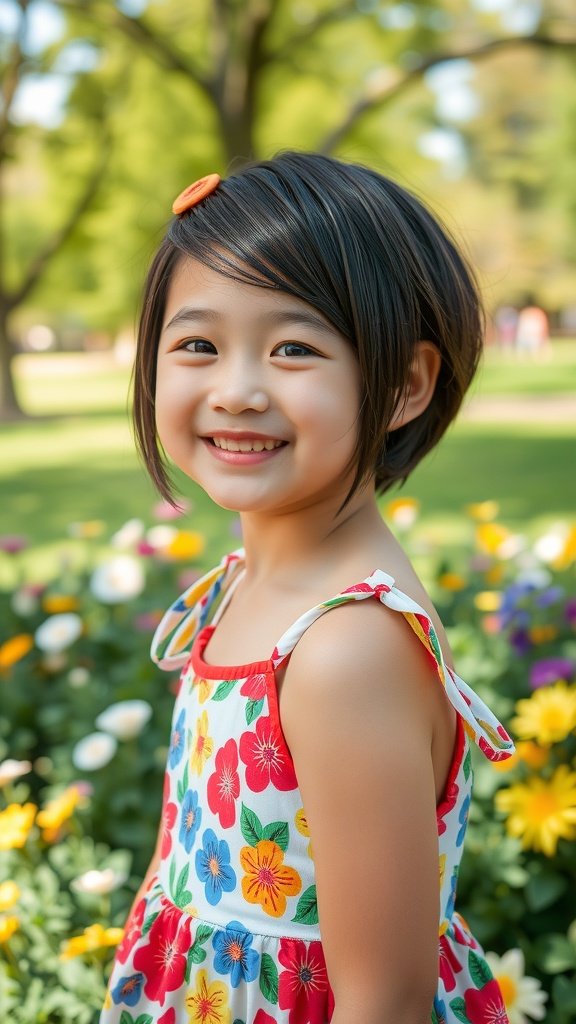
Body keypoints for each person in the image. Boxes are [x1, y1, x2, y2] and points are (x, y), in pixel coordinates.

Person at [100, 153, 515, 1024]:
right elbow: (184, 845)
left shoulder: (344, 649)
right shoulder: (254, 580)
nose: (237, 389)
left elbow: (385, 1002)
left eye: (293, 348)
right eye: (198, 345)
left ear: (404, 384)